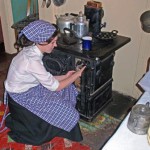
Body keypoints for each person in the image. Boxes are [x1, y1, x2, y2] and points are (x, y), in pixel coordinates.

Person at [4, 20, 86, 146]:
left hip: (30, 88)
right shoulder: (32, 61)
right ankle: (60, 125)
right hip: (22, 96)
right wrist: (76, 75)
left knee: (67, 90)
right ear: (40, 41)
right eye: (52, 42)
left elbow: (45, 78)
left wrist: (65, 76)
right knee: (68, 110)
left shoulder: (31, 50)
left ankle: (62, 125)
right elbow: (55, 87)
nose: (56, 45)